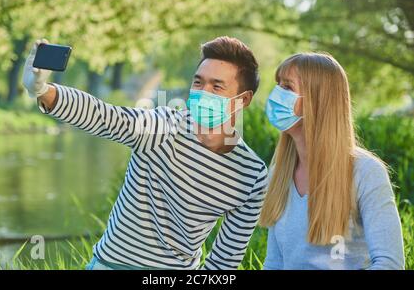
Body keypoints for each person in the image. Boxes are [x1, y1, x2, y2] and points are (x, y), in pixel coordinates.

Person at [22, 36, 267, 270]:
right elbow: (107, 117)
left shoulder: (251, 175)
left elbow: (225, 260)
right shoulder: (165, 126)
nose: (203, 92)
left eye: (217, 86)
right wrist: (43, 91)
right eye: (198, 82)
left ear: (242, 100)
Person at [259, 52, 405, 270]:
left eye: (287, 87)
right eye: (278, 85)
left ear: (319, 100)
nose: (276, 94)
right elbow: (274, 263)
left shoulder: (365, 172)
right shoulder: (279, 174)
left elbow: (389, 264)